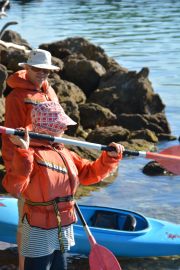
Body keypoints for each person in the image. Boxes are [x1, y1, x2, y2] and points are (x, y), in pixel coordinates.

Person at [2, 101, 124, 270]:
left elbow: (89, 173)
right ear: (49, 128)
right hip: (39, 229)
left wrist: (109, 158)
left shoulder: (64, 151)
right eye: (61, 125)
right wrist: (23, 151)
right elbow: (15, 186)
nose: (66, 128)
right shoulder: (30, 154)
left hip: (63, 226)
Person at [1, 48, 60, 270]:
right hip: (26, 161)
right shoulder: (16, 96)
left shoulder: (50, 91)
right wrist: (14, 167)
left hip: (49, 160)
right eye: (36, 69)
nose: (42, 73)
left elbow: (58, 124)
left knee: (46, 217)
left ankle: (48, 259)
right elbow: (11, 136)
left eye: (46, 70)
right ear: (26, 68)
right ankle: (23, 265)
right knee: (26, 220)